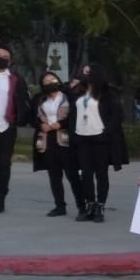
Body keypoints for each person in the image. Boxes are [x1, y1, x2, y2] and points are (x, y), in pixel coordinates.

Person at [68, 63, 128, 223]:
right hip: (82, 137)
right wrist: (73, 133)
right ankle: (90, 205)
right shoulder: (78, 93)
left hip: (100, 138)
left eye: (88, 72)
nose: (85, 75)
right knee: (86, 175)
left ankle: (100, 206)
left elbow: (116, 116)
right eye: (83, 72)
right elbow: (73, 115)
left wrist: (106, 133)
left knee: (101, 174)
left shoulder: (107, 94)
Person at [31, 70, 83, 217]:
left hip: (66, 137)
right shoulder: (40, 99)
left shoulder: (68, 97)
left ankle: (82, 206)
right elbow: (31, 116)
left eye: (52, 79)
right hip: (47, 139)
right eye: (46, 81)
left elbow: (75, 115)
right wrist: (41, 125)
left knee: (72, 174)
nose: (50, 83)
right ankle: (60, 206)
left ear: (58, 80)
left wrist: (60, 124)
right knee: (54, 175)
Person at [0, 41, 31, 213]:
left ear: (10, 61)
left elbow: (23, 102)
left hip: (5, 127)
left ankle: (0, 196)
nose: (0, 59)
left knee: (3, 164)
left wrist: (20, 119)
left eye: (5, 57)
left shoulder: (15, 79)